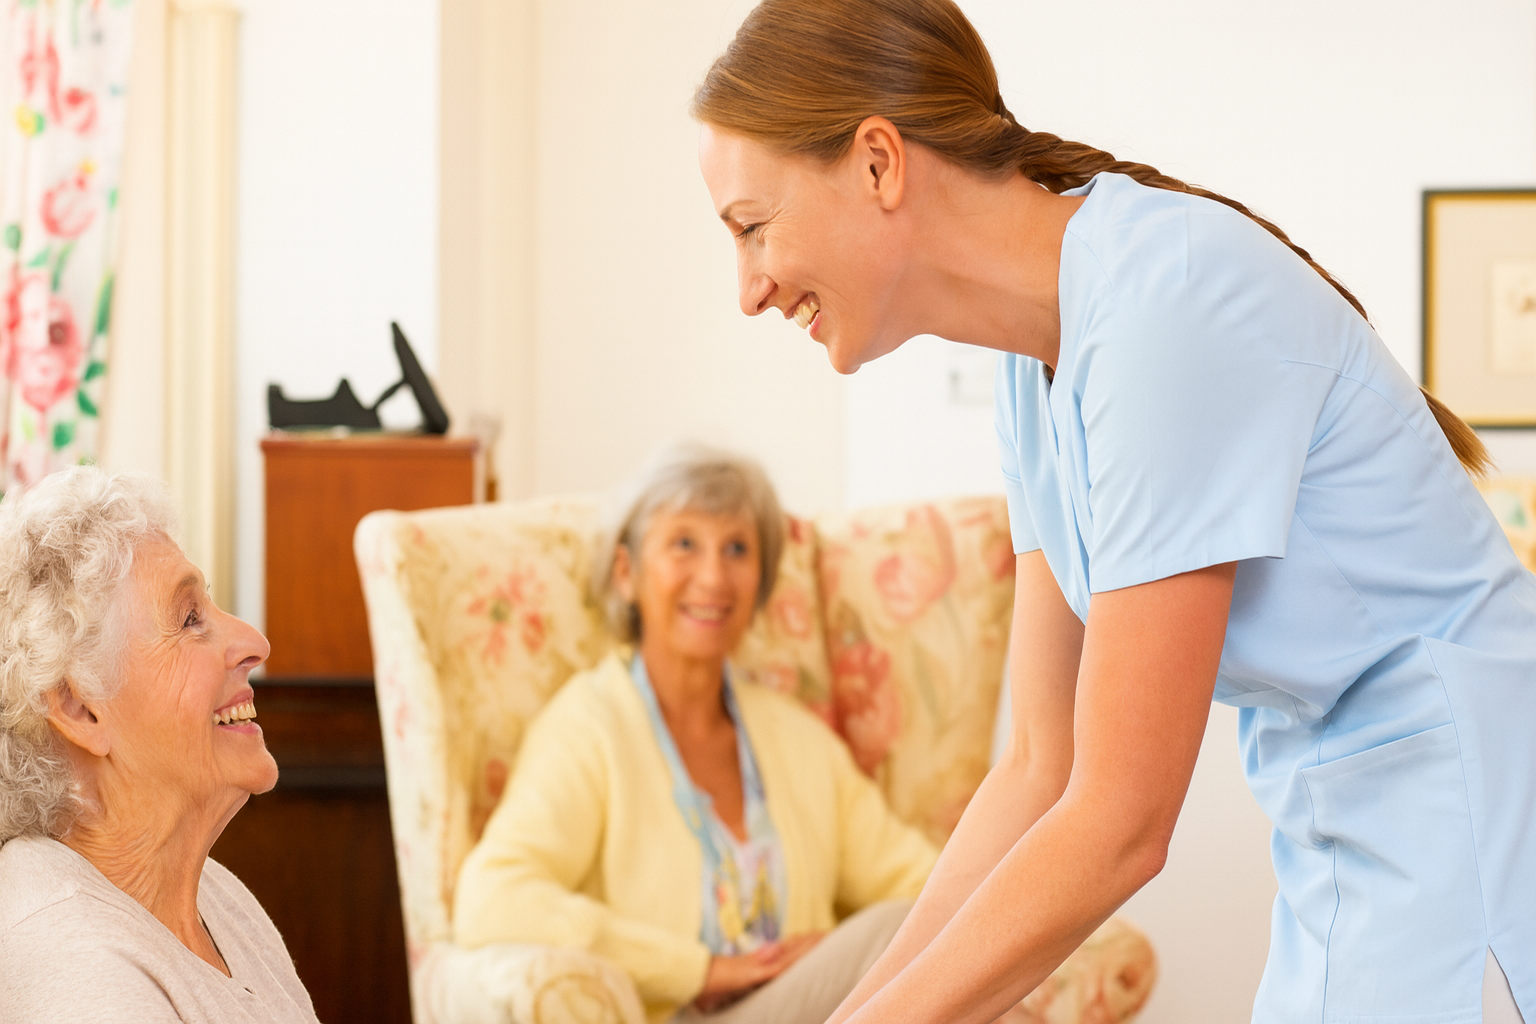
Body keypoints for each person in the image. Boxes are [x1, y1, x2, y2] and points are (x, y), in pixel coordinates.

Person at [689, 3, 1536, 1023]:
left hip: (1478, 816)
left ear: (878, 162)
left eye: (752, 228)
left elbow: (1121, 819)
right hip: (1342, 833)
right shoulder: (1033, 355)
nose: (748, 287)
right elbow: (1042, 769)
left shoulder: (1162, 305)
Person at [453, 445, 939, 1024]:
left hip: (801, 1009)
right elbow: (493, 899)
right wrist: (696, 969)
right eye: (684, 543)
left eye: (737, 548)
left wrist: (830, 957)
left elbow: (933, 889)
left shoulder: (799, 740)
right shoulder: (589, 726)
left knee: (931, 932)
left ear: (759, 582)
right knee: (893, 938)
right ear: (628, 574)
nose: (713, 576)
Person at [0, 468, 319, 1024]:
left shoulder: (215, 898)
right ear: (80, 708)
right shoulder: (77, 974)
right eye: (190, 619)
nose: (254, 642)